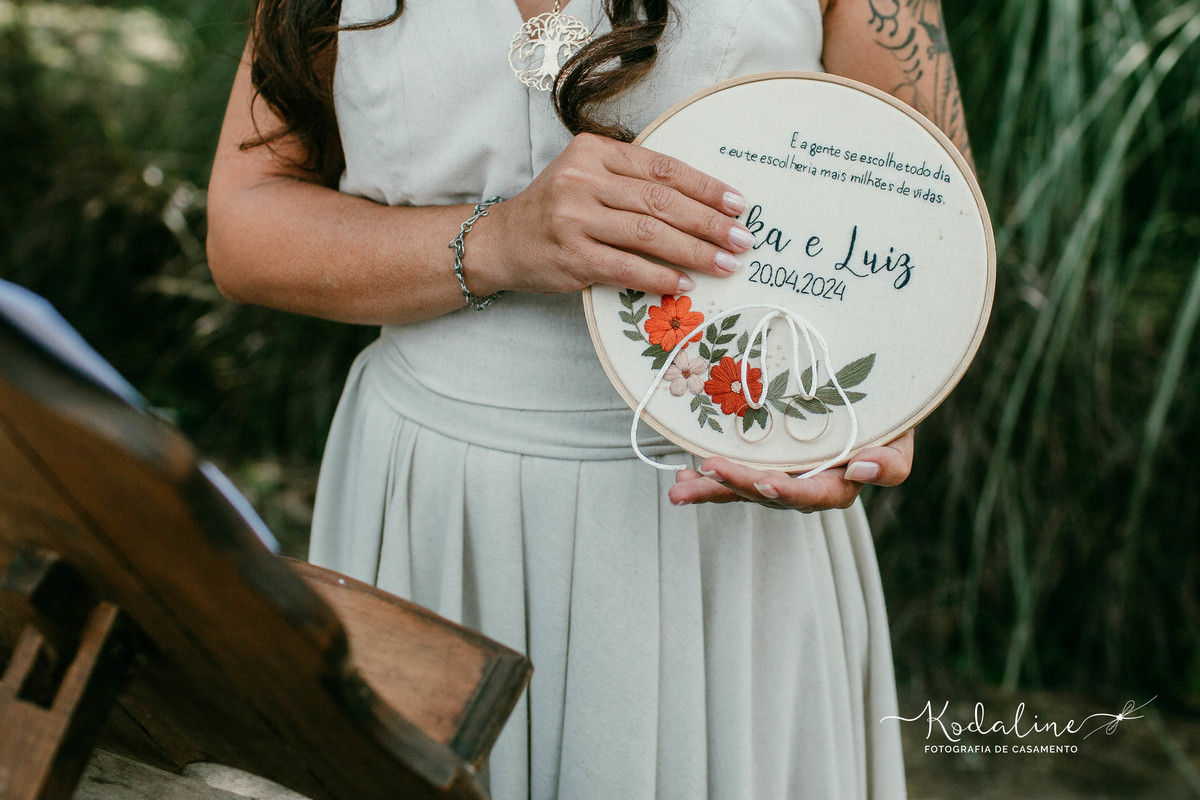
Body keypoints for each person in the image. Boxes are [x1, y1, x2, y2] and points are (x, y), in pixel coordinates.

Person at [207, 1, 973, 797]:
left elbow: (930, 213)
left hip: (725, 525)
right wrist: (498, 241)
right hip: (432, 507)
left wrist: (885, 410)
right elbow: (244, 225)